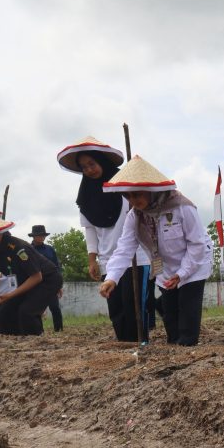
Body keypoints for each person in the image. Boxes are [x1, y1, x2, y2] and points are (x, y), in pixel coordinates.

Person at [98, 155, 212, 346]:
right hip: (165, 270)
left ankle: (188, 348)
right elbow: (124, 248)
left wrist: (183, 273)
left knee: (187, 317)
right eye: (129, 196)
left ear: (151, 189)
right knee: (171, 321)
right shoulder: (134, 217)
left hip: (194, 266)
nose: (134, 201)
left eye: (138, 194)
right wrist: (112, 277)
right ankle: (175, 351)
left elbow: (197, 244)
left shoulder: (182, 207)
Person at [57, 136, 154, 341]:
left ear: (102, 161)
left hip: (135, 256)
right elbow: (90, 230)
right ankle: (124, 343)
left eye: (92, 164)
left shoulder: (126, 189)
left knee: (134, 304)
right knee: (115, 306)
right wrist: (92, 259)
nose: (89, 170)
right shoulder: (85, 197)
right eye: (84, 167)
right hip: (108, 259)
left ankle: (140, 342)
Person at [0, 220, 63, 335]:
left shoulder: (19, 248)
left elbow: (37, 277)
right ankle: (14, 340)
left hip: (47, 279)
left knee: (27, 312)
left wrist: (9, 295)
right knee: (4, 312)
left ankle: (36, 341)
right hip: (23, 280)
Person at [28, 224, 63, 331]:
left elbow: (57, 266)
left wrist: (59, 285)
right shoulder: (28, 249)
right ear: (34, 236)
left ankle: (59, 329)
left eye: (43, 235)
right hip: (35, 283)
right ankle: (38, 331)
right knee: (36, 309)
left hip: (51, 283)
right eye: (39, 235)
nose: (42, 237)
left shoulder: (50, 249)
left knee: (55, 307)